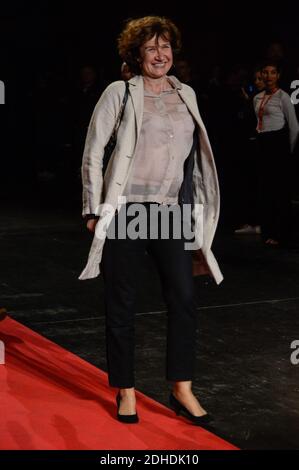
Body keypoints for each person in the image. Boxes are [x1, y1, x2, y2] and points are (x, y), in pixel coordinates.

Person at [79, 16, 223, 424]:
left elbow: (193, 159)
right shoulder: (120, 92)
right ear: (136, 55)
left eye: (165, 47)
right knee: (122, 302)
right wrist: (93, 209)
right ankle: (126, 389)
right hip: (126, 209)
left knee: (184, 298)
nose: (160, 55)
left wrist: (194, 212)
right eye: (150, 48)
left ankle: (182, 387)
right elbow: (93, 151)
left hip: (170, 210)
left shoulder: (186, 93)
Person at [254, 61, 299, 246]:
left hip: (278, 146)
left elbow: (294, 126)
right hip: (263, 143)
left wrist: (288, 151)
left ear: (278, 76)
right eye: (265, 72)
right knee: (266, 191)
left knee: (280, 192)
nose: (269, 76)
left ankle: (282, 234)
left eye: (273, 73)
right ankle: (268, 231)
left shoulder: (283, 97)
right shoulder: (257, 98)